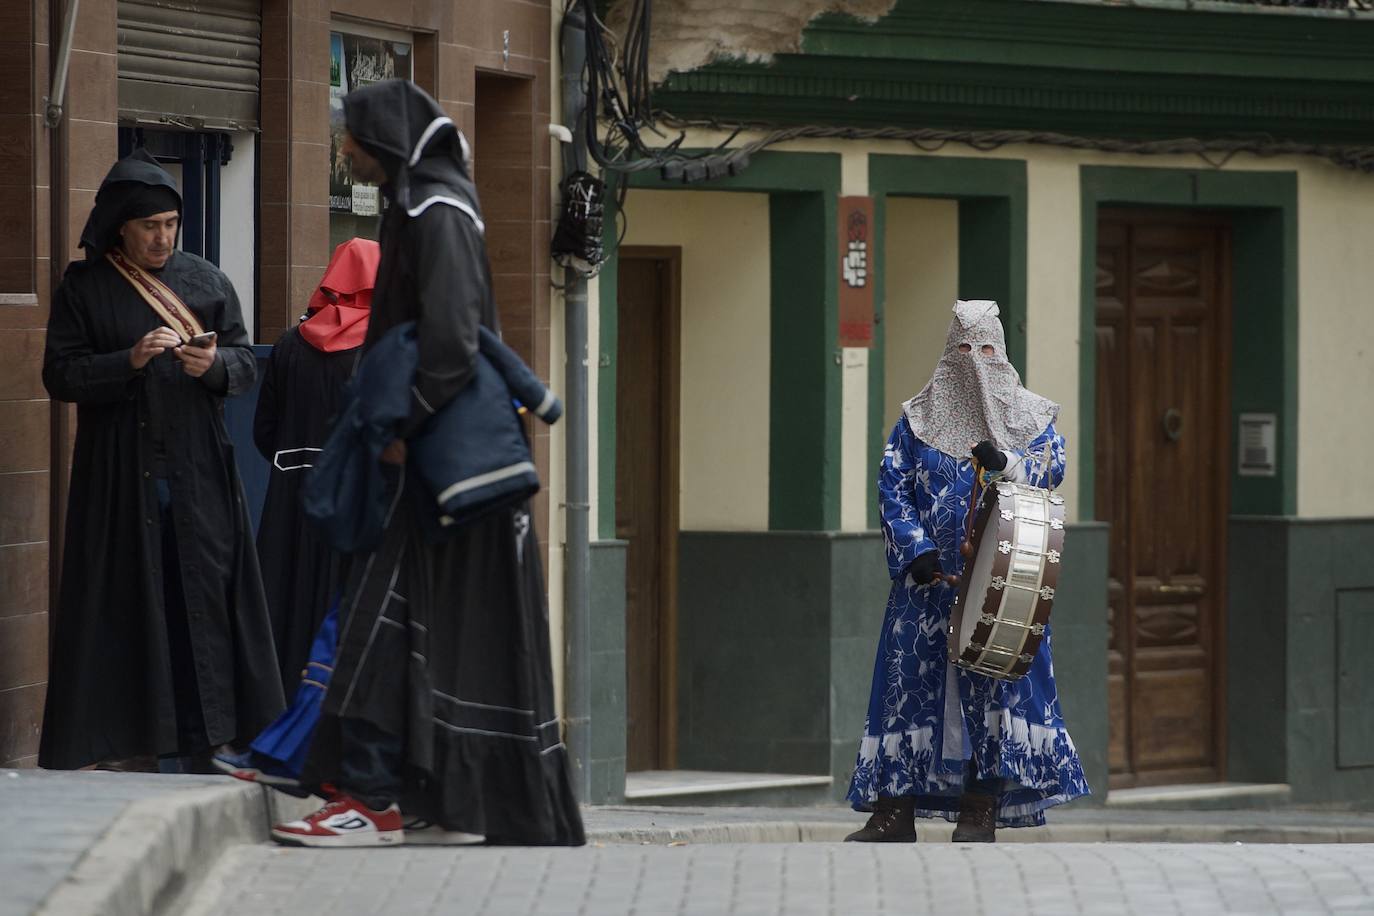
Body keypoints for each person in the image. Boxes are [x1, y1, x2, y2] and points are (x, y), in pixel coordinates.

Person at [271, 80, 585, 848]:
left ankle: (371, 800)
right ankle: (431, 798)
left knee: (379, 621)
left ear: (384, 141)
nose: (345, 149)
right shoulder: (424, 204)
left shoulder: (434, 209)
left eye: (352, 136)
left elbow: (449, 337)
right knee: (421, 627)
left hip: (435, 463)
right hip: (441, 462)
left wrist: (400, 424)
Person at [39, 149, 284, 772]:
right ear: (121, 226)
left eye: (171, 224)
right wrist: (129, 361)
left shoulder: (206, 280)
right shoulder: (84, 288)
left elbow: (244, 361)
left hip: (199, 471)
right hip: (120, 477)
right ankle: (126, 744)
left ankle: (218, 737)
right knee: (125, 606)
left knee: (206, 597)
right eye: (150, 226)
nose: (162, 237)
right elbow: (60, 374)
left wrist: (215, 366)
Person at [845, 299, 1088, 843]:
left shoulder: (1032, 420)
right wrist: (915, 550)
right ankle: (893, 811)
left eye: (984, 349)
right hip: (925, 589)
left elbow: (1050, 471)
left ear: (1000, 351)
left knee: (995, 691)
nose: (974, 362)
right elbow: (892, 485)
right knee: (909, 688)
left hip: (1001, 589)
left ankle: (981, 807)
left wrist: (1007, 463)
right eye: (962, 349)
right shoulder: (915, 421)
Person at [254, 238, 380, 689]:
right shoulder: (382, 348)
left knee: (285, 601)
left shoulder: (290, 344)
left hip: (290, 502)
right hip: (353, 502)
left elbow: (264, 432)